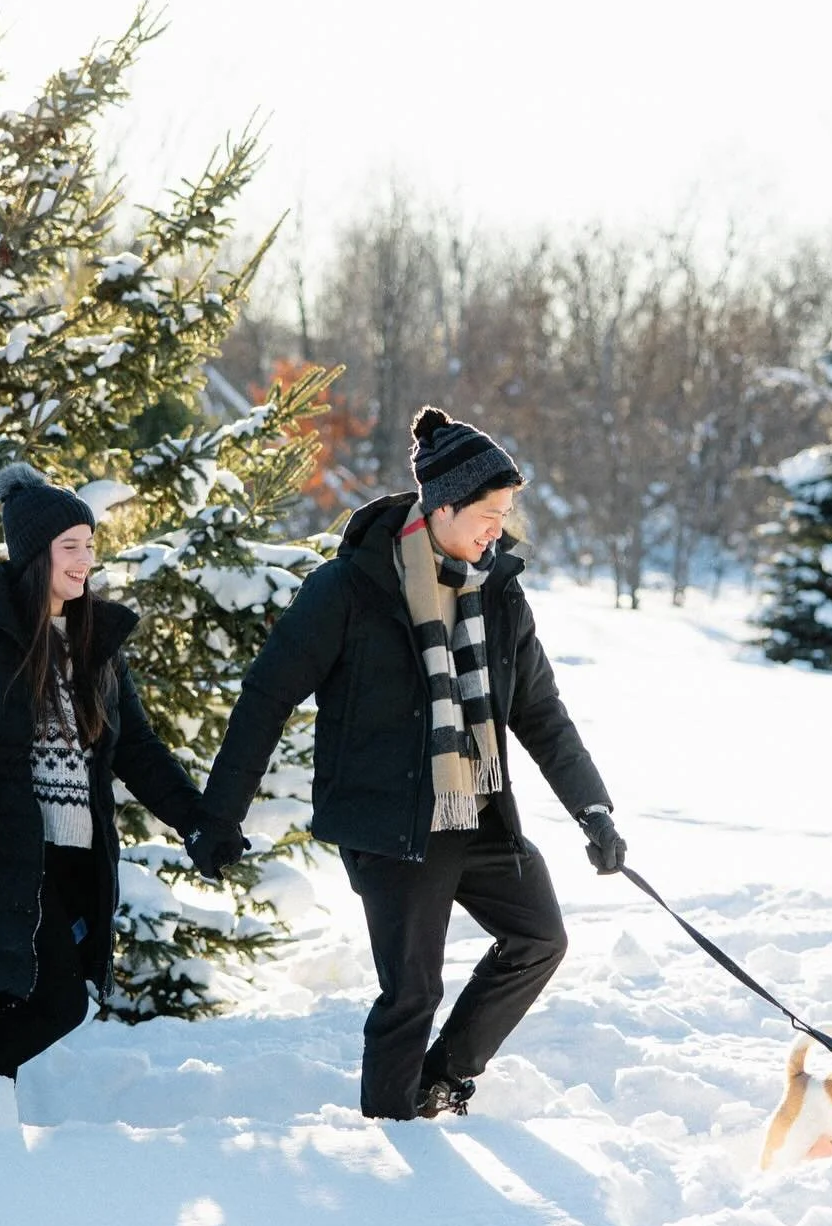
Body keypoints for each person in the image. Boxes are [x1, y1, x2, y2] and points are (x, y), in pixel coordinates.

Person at [188, 406, 627, 1120]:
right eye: (491, 512)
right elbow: (267, 695)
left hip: (476, 809)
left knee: (539, 938)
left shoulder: (499, 591)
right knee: (411, 993)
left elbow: (540, 712)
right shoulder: (352, 588)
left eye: (508, 511)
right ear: (444, 505)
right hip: (389, 822)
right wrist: (219, 814)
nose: (500, 528)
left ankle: (440, 1080)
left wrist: (594, 808)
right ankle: (389, 1140)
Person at [0, 463, 214, 1122]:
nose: (87, 560)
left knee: (5, 1015)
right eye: (71, 547)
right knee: (57, 1002)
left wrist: (196, 821)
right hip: (2, 855)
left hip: (72, 862)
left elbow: (137, 751)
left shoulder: (94, 644)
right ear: (36, 554)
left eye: (90, 546)